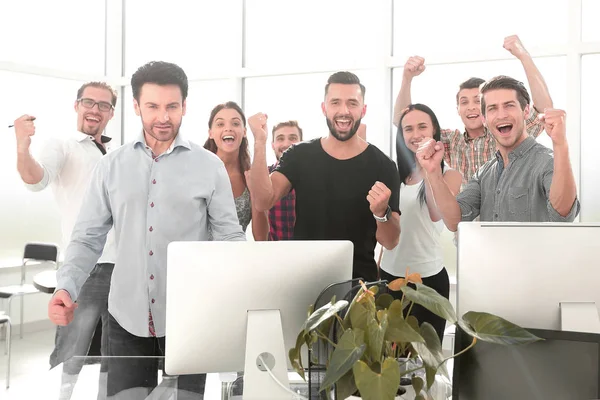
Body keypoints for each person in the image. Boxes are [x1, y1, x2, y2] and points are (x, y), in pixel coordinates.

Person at [48, 61, 246, 399]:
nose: (163, 117)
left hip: (189, 318)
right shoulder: (111, 166)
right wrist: (66, 286)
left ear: (184, 105)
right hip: (126, 316)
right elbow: (87, 237)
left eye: (172, 106)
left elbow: (229, 236)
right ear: (137, 106)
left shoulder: (209, 167)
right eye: (152, 106)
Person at [13, 81, 118, 400]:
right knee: (70, 352)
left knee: (116, 354)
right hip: (87, 267)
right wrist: (22, 147)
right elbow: (36, 179)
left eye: (103, 105)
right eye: (89, 102)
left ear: (111, 113)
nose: (95, 110)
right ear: (76, 106)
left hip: (124, 266)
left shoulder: (114, 153)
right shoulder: (62, 144)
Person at [247, 71, 401, 283]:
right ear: (324, 108)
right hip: (304, 282)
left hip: (358, 288)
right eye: (335, 102)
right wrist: (259, 142)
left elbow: (391, 241)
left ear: (363, 110)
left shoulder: (384, 166)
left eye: (352, 103)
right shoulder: (299, 155)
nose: (344, 111)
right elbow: (263, 200)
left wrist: (382, 213)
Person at [417, 75, 580, 231]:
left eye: (509, 105)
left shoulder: (546, 161)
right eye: (493, 108)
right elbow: (454, 221)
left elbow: (564, 216)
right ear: (484, 119)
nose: (502, 115)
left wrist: (560, 144)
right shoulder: (484, 173)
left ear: (525, 111)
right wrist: (433, 173)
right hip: (490, 260)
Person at [393, 35, 552, 188]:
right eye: (464, 102)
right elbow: (402, 121)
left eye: (477, 101)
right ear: (458, 110)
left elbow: (544, 111)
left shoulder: (505, 135)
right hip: (463, 215)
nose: (471, 107)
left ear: (486, 109)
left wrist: (524, 57)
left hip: (504, 214)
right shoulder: (452, 142)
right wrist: (407, 78)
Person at [380, 104, 462, 343]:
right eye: (408, 129)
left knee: (426, 360)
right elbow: (386, 226)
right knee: (391, 360)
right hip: (389, 277)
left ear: (434, 130)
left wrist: (429, 167)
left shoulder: (450, 175)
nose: (415, 134)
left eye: (422, 127)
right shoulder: (393, 174)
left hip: (429, 280)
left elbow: (437, 215)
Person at [204, 101, 268, 240]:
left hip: (235, 257)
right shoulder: (199, 172)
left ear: (244, 132)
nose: (228, 128)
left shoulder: (251, 176)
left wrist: (255, 194)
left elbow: (261, 238)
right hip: (199, 257)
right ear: (211, 133)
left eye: (235, 123)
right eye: (220, 124)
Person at [267, 120, 303, 240]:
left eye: (292, 138)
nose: (286, 143)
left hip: (307, 251)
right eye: (280, 138)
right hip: (274, 253)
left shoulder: (313, 176)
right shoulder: (264, 176)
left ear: (301, 143)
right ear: (273, 144)